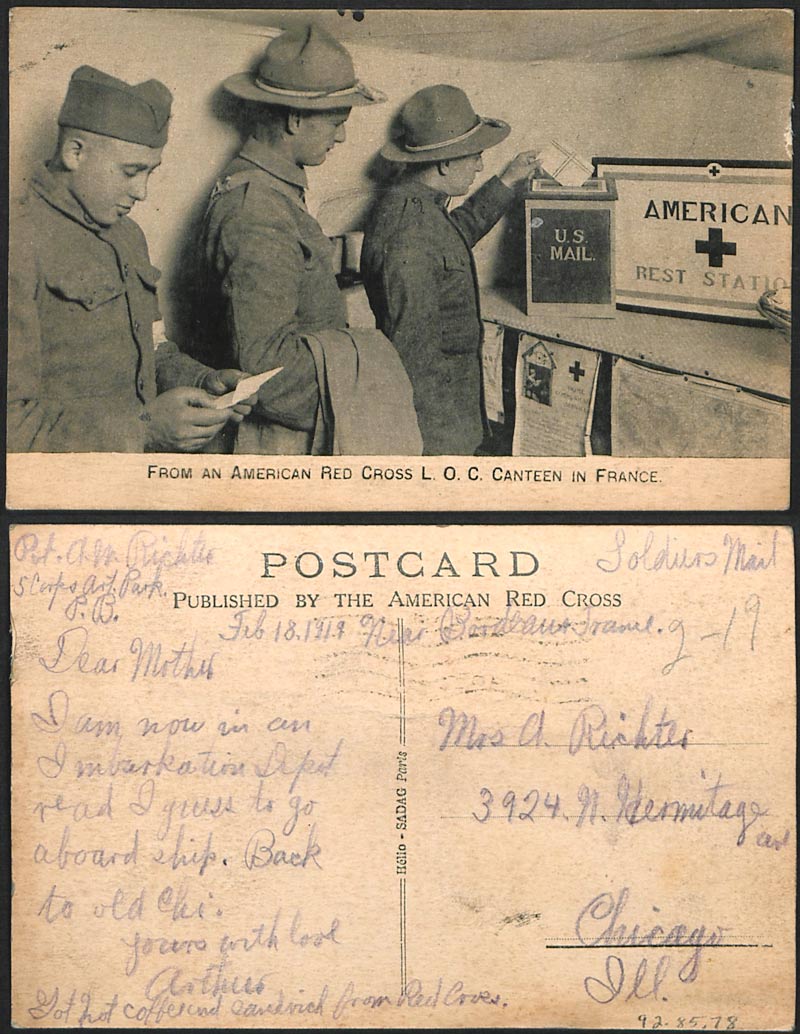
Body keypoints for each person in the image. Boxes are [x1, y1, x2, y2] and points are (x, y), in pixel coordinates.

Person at [9, 65, 254, 453]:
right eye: (131, 172)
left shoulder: (128, 235)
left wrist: (203, 381)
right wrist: (143, 430)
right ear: (75, 152)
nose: (141, 192)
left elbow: (149, 348)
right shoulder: (17, 240)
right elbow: (12, 425)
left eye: (149, 172)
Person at [194, 24, 385, 454]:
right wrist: (362, 384)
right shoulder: (256, 210)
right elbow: (264, 371)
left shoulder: (270, 189)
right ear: (295, 119)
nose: (342, 136)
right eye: (337, 123)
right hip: (276, 443)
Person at [361, 84, 540, 455]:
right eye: (474, 156)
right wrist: (439, 450)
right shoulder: (409, 232)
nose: (479, 164)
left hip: (452, 417)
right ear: (444, 163)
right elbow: (415, 357)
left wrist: (507, 181)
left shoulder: (418, 207)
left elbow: (451, 237)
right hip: (437, 432)